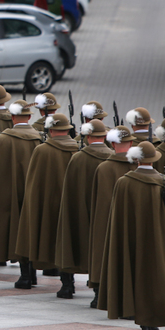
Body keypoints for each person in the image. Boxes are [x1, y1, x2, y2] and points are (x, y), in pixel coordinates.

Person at [98, 141, 165, 330]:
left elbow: (117, 215)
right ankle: (153, 325)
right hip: (158, 241)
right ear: (155, 159)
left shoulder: (124, 182)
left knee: (135, 278)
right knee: (156, 280)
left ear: (136, 159)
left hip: (132, 239)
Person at [14, 113, 80, 288]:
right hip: (69, 205)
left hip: (46, 203)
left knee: (32, 233)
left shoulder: (42, 150)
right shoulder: (78, 150)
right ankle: (67, 284)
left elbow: (34, 184)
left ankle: (27, 277)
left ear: (50, 130)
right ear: (67, 130)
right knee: (66, 241)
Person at [54, 119, 114, 298]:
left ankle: (67, 285)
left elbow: (69, 191)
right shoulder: (112, 158)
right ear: (105, 136)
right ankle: (98, 292)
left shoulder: (77, 158)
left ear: (87, 137)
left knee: (71, 239)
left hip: (79, 210)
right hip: (104, 212)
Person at [0, 100, 38, 278]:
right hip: (33, 194)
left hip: (10, 194)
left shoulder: (4, 139)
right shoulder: (40, 138)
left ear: (12, 117)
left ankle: (24, 275)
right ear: (29, 116)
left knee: (15, 229)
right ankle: (33, 271)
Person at [85, 125, 136, 307]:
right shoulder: (138, 166)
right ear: (131, 143)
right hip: (133, 220)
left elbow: (96, 199)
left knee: (102, 250)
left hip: (105, 218)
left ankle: (100, 293)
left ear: (112, 143)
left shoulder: (104, 168)